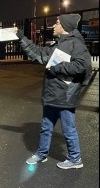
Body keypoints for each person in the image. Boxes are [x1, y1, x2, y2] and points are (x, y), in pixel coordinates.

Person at [15, 14, 92, 169]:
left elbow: (82, 66)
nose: (53, 26)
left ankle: (75, 159)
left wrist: (56, 68)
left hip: (65, 97)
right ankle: (42, 154)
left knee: (68, 129)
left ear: (64, 26)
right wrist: (21, 37)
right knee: (46, 127)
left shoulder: (76, 44)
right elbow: (38, 53)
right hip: (53, 95)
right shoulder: (59, 44)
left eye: (56, 23)